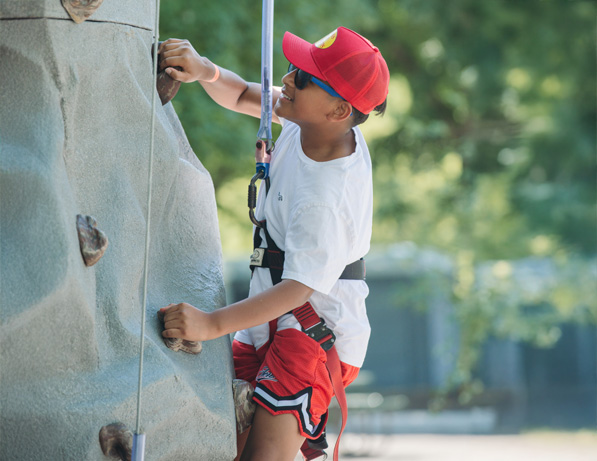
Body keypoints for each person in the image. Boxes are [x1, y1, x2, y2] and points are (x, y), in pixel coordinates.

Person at [158, 26, 389, 461]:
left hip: (314, 334)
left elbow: (299, 288)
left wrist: (210, 326)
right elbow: (247, 95)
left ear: (339, 109)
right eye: (292, 67)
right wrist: (206, 71)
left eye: (302, 78)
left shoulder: (326, 197)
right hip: (271, 317)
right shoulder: (312, 128)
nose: (287, 80)